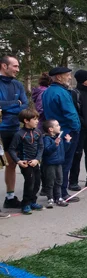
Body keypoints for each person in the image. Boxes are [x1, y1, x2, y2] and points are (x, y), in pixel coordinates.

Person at [42, 66, 82, 202]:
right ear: (59, 77)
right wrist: (76, 128)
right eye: (67, 75)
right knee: (65, 163)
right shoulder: (62, 93)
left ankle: (53, 191)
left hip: (53, 130)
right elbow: (70, 113)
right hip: (66, 131)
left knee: (54, 162)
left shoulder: (47, 92)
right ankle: (62, 193)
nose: (70, 78)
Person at [0, 55, 28, 216]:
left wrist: (6, 107)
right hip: (0, 130)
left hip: (14, 129)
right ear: (4, 66)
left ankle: (10, 197)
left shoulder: (18, 85)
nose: (18, 69)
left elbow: (24, 106)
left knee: (12, 164)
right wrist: (14, 104)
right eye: (15, 66)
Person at [8, 110, 44, 214]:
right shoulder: (19, 134)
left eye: (37, 119)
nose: (37, 121)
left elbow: (41, 147)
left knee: (37, 182)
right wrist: (18, 161)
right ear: (26, 121)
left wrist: (37, 159)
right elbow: (11, 149)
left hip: (35, 162)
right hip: (25, 164)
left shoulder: (38, 132)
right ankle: (26, 204)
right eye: (34, 119)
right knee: (30, 183)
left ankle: (33, 201)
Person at [41, 119, 72, 208]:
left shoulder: (59, 138)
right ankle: (50, 198)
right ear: (51, 129)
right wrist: (55, 144)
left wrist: (67, 142)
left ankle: (58, 197)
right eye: (57, 125)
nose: (59, 127)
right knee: (50, 181)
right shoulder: (46, 139)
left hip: (59, 162)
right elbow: (47, 151)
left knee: (59, 181)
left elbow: (64, 150)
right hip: (50, 163)